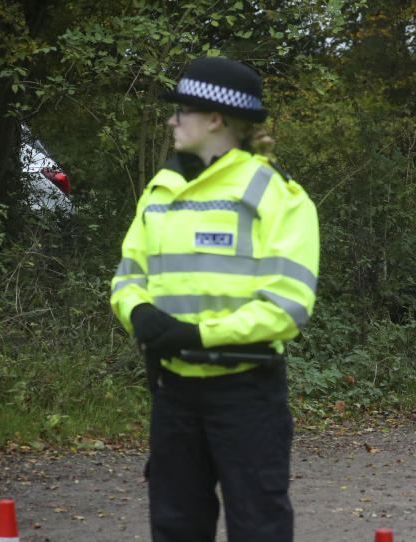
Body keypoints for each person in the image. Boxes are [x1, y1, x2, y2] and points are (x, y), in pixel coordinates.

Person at [109, 56, 319, 542]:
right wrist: (138, 313)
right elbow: (127, 277)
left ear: (216, 119)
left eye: (181, 110)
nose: (171, 120)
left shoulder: (279, 197)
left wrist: (198, 335)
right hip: (173, 394)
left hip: (246, 394)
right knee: (175, 526)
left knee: (258, 528)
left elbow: (288, 305)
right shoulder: (160, 191)